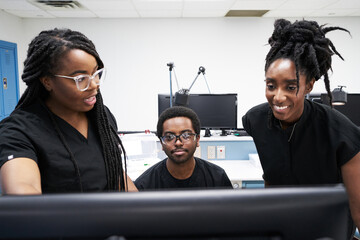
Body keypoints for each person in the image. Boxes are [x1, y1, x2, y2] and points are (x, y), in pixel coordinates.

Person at [242, 19, 360, 238]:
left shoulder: (341, 133)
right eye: (271, 85)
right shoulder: (255, 120)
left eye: (290, 86)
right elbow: (272, 175)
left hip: (328, 233)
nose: (278, 96)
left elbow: (359, 210)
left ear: (309, 85)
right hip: (283, 229)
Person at [0, 28, 137, 194]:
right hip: (60, 220)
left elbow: (115, 174)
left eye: (96, 73)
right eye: (81, 79)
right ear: (47, 81)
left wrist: (141, 212)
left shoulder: (101, 116)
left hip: (109, 218)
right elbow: (23, 193)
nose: (94, 84)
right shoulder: (18, 130)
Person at [135, 106, 232, 190]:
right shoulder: (145, 185)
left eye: (185, 136)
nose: (178, 143)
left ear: (197, 139)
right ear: (161, 143)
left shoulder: (218, 178)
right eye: (169, 137)